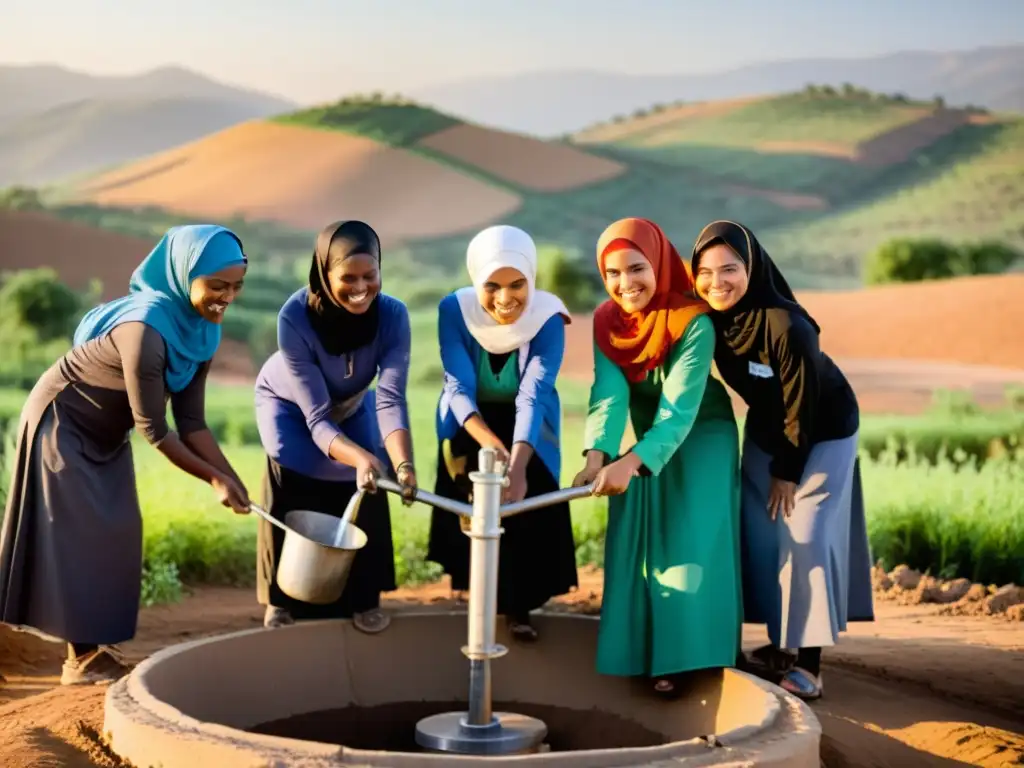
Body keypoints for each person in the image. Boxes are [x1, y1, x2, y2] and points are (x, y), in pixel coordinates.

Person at [0, 225, 252, 686]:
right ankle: (81, 660)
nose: (226, 297)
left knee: (118, 528)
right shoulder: (146, 329)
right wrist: (213, 480)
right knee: (81, 531)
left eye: (236, 287)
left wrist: (233, 477)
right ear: (184, 274)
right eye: (216, 285)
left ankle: (95, 646)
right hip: (63, 420)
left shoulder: (202, 332)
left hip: (105, 431)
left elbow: (192, 422)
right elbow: (155, 429)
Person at [689, 219, 875, 701]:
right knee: (762, 532)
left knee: (805, 533)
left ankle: (809, 664)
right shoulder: (711, 319)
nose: (717, 282)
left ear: (753, 267)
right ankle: (779, 644)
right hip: (769, 428)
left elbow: (800, 407)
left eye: (729, 269)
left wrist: (787, 473)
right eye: (705, 272)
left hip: (822, 430)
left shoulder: (787, 325)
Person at [572, 217, 743, 697]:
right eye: (613, 274)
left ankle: (691, 659)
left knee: (691, 543)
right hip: (650, 438)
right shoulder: (607, 322)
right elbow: (608, 395)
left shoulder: (694, 320)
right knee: (638, 541)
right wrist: (597, 454)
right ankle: (643, 651)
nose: (626, 284)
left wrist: (631, 462)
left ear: (660, 263)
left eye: (636, 269)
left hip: (703, 435)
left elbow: (679, 409)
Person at [254, 220, 415, 633]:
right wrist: (359, 456)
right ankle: (281, 599)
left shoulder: (393, 315)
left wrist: (403, 466)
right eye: (348, 278)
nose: (360, 287)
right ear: (324, 274)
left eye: (370, 275)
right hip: (290, 410)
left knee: (372, 479)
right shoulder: (295, 317)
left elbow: (391, 398)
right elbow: (317, 420)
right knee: (293, 477)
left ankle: (364, 596)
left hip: (351, 404)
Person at [426, 224, 578, 642]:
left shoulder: (548, 318)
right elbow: (457, 386)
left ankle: (518, 610)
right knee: (466, 505)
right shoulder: (453, 310)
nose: (505, 299)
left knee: (525, 510)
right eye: (491, 285)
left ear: (532, 279)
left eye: (517, 284)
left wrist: (519, 463)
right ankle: (472, 598)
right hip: (467, 423)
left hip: (529, 428)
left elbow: (533, 393)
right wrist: (492, 446)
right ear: (476, 279)